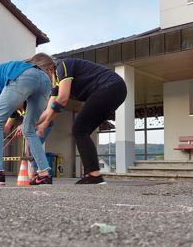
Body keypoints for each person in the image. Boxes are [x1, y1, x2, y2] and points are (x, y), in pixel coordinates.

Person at [0, 54, 55, 186]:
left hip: (24, 76)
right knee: (28, 129)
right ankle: (44, 175)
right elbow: (4, 127)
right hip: (45, 80)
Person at [36, 56, 127, 184]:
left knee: (79, 129)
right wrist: (34, 123)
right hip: (113, 90)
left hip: (110, 86)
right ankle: (94, 175)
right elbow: (49, 109)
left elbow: (63, 99)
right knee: (81, 130)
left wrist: (45, 124)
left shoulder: (62, 66)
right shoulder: (55, 82)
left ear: (46, 69)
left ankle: (94, 175)